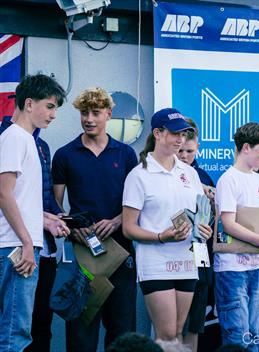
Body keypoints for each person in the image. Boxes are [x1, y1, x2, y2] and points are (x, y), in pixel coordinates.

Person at [50, 87, 139, 351]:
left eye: (95, 113)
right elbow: (55, 204)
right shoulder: (65, 154)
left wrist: (116, 221)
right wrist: (70, 228)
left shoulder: (125, 154)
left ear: (108, 114)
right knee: (81, 330)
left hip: (120, 252)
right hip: (83, 253)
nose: (89, 118)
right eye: (84, 113)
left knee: (122, 329)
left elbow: (137, 202)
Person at [121, 108, 213, 343]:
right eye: (174, 134)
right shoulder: (138, 175)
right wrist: (162, 236)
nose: (180, 139)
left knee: (180, 332)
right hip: (156, 263)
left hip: (186, 261)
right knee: (167, 333)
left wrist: (204, 229)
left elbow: (198, 217)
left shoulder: (190, 173)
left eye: (183, 134)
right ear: (158, 133)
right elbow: (128, 228)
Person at [0, 74, 69, 351]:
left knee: (17, 331)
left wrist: (49, 220)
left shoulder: (26, 139)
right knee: (15, 334)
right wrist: (27, 242)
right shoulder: (15, 137)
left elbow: (20, 199)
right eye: (50, 106)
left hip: (19, 244)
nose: (53, 115)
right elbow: (3, 193)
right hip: (15, 247)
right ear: (29, 103)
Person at [214, 122, 259, 350]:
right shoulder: (228, 179)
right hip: (231, 269)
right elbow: (228, 224)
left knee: (253, 332)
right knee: (236, 335)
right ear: (246, 148)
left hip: (255, 267)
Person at [177, 118, 216, 352]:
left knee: (195, 323)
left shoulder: (205, 177)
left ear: (197, 148)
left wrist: (209, 227)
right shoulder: (161, 176)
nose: (183, 156)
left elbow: (213, 223)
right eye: (180, 150)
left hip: (200, 257)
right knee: (173, 325)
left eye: (189, 151)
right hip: (170, 257)